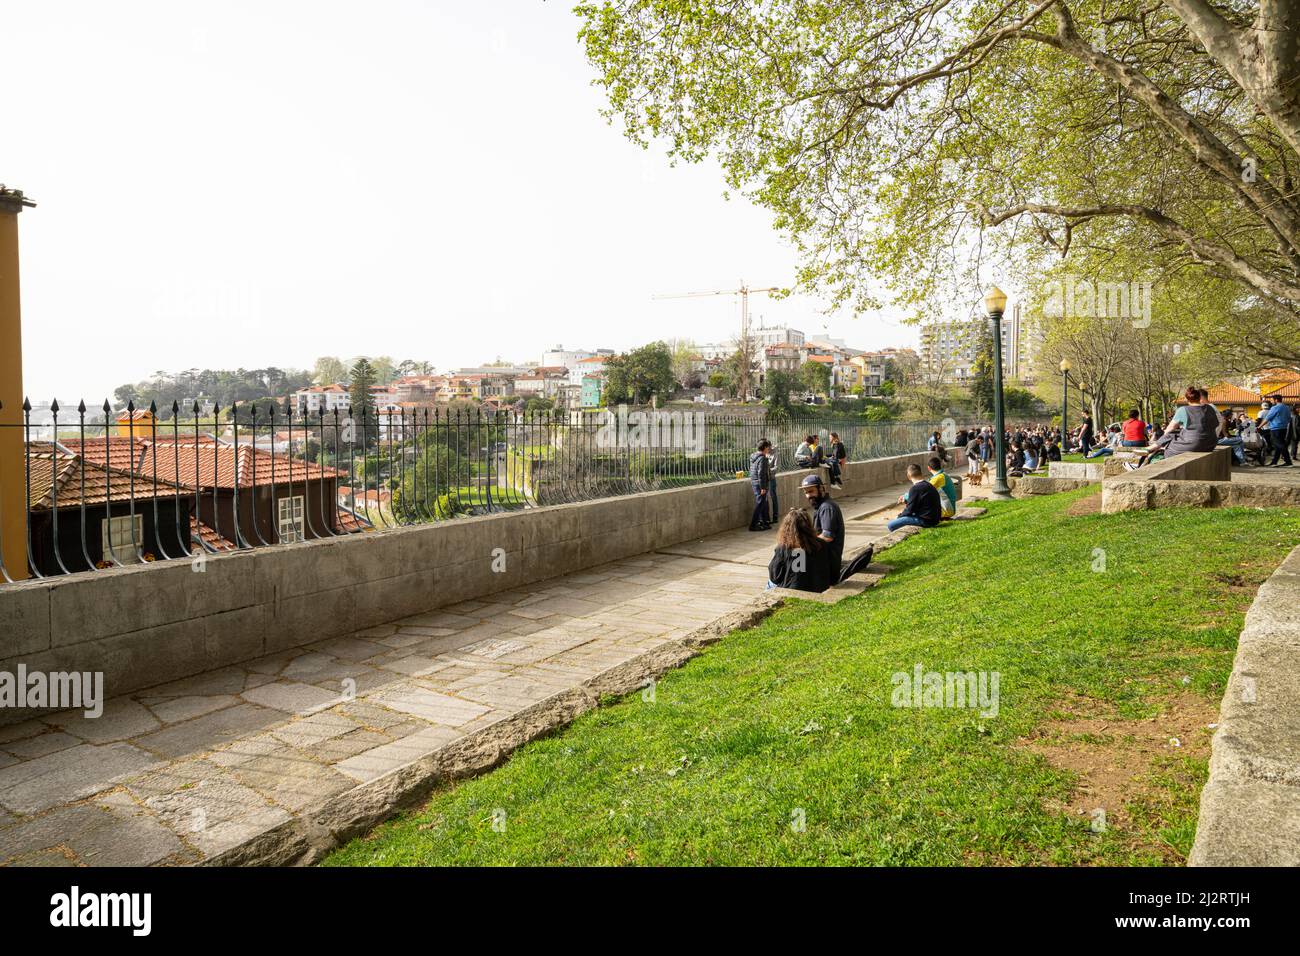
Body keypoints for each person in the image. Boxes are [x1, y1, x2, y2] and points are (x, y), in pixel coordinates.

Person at [766, 509, 827, 592]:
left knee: (770, 584)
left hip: (791, 589)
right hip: (817, 589)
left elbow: (774, 576)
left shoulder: (783, 547)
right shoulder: (821, 544)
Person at [801, 473, 844, 575]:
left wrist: (806, 544)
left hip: (827, 562)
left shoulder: (827, 507)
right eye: (806, 492)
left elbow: (827, 537)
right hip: (823, 558)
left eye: (811, 491)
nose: (808, 495)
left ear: (821, 489)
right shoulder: (821, 506)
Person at [888, 464, 942, 531]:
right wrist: (907, 501)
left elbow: (909, 510)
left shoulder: (915, 489)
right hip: (935, 519)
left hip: (926, 521)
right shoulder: (929, 485)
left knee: (891, 525)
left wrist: (899, 517)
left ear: (908, 476)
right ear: (921, 473)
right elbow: (920, 503)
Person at [1261, 392, 1295, 466]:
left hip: (1275, 428)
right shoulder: (1287, 407)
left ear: (1276, 400)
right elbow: (1289, 418)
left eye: (1272, 400)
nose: (1271, 401)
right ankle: (1274, 462)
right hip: (1284, 428)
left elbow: (1268, 418)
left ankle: (1288, 461)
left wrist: (1259, 426)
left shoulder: (1275, 408)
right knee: (1278, 445)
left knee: (1279, 445)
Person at [748, 439, 773, 531]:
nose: (769, 449)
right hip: (760, 484)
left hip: (754, 482)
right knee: (760, 503)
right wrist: (763, 487)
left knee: (763, 503)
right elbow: (761, 473)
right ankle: (753, 525)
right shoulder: (762, 458)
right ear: (765, 447)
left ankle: (764, 522)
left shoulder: (754, 456)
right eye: (768, 447)